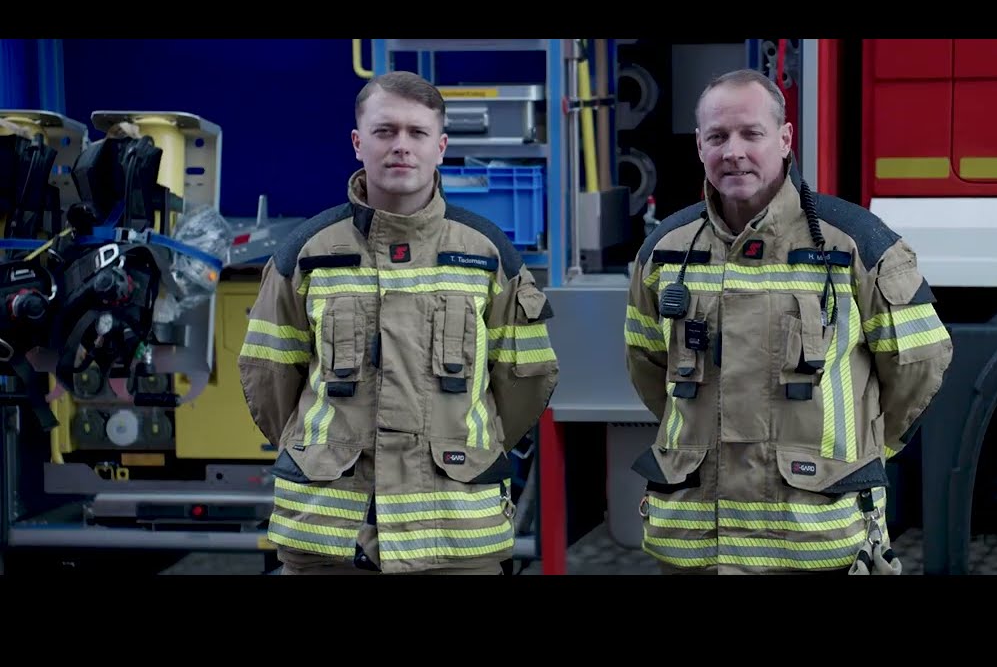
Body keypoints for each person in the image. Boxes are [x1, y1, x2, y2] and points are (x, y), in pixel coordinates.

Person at [623, 69, 953, 575]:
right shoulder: (666, 250)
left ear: (785, 138)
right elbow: (649, 367)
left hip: (818, 540)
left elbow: (919, 364)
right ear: (698, 145)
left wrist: (868, 447)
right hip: (697, 543)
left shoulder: (856, 243)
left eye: (751, 133)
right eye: (717, 136)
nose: (733, 151)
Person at [238, 71, 559, 575]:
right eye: (385, 131)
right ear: (357, 142)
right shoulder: (307, 253)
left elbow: (524, 379)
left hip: (455, 531)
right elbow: (270, 378)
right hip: (330, 529)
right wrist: (325, 453)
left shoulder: (487, 254)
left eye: (417, 133)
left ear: (442, 146)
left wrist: (464, 445)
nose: (401, 147)